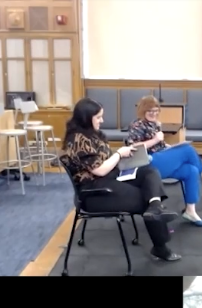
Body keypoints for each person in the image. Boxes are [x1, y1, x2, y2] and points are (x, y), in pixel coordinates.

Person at [59, 98, 181, 262]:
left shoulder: (90, 134)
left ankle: (156, 208)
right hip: (95, 192)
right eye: (98, 117)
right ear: (86, 118)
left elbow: (104, 161)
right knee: (146, 197)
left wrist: (125, 154)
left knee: (149, 172)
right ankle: (160, 246)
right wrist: (119, 154)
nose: (102, 120)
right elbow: (99, 170)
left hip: (110, 177)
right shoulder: (78, 140)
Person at [126, 96, 202, 226]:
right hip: (148, 164)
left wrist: (171, 148)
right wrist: (155, 140)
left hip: (161, 158)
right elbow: (133, 148)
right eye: (150, 111)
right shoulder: (137, 125)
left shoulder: (155, 124)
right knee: (187, 149)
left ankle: (190, 211)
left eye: (156, 110)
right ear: (142, 111)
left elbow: (160, 146)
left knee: (191, 171)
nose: (154, 114)